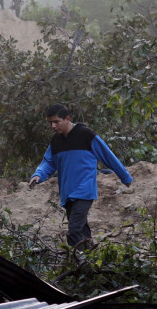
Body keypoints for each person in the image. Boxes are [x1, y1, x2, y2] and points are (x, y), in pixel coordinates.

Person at [29, 103, 133, 249]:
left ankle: (78, 261)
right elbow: (49, 162)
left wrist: (125, 177)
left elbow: (107, 155)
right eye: (50, 123)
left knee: (74, 231)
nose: (53, 126)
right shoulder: (56, 141)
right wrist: (38, 175)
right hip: (67, 193)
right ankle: (90, 261)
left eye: (56, 122)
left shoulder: (86, 135)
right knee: (82, 230)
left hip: (84, 191)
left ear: (67, 119)